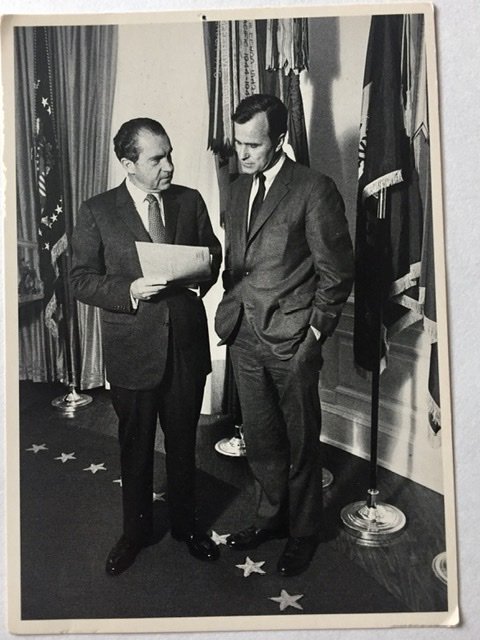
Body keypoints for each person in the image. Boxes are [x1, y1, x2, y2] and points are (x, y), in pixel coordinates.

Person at [70, 117, 222, 576]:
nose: (170, 166)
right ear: (127, 163)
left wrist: (202, 272)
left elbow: (211, 256)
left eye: (170, 154)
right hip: (133, 350)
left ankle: (187, 527)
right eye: (158, 158)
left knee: (182, 444)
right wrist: (131, 289)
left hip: (186, 349)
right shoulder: (97, 211)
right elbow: (80, 279)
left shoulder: (189, 201)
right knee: (135, 448)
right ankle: (134, 533)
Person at [215, 94, 354, 577]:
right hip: (244, 335)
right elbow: (239, 260)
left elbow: (337, 272)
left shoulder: (314, 188)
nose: (243, 153)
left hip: (294, 338)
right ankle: (271, 519)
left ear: (280, 139)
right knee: (262, 438)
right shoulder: (235, 189)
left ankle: (304, 532)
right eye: (238, 143)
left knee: (299, 442)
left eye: (254, 144)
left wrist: (314, 333)